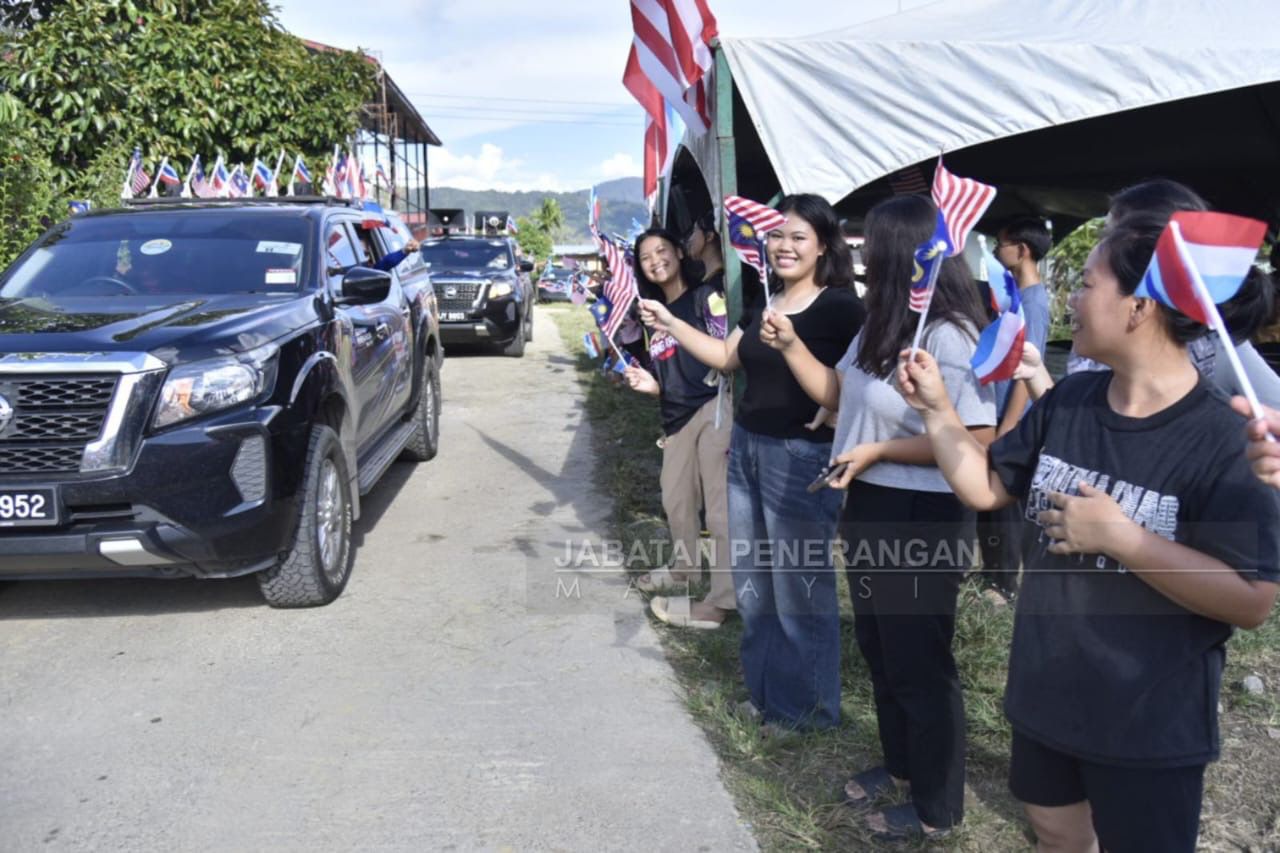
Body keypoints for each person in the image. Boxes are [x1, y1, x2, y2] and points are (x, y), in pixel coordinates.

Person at [897, 211, 1280, 853]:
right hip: (1046, 690)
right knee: (1053, 830)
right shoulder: (1069, 402)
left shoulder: (1231, 439)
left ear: (1139, 308)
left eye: (1090, 281)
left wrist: (1124, 539)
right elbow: (987, 488)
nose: (1071, 294)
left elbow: (1251, 600)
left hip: (1148, 716)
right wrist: (937, 411)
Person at [763, 194, 995, 839]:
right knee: (881, 647)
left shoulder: (949, 334)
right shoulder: (882, 323)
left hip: (924, 511)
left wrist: (882, 450)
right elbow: (840, 395)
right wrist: (789, 347)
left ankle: (937, 808)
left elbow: (978, 437)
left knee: (919, 659)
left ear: (907, 254)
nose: (862, 256)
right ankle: (900, 766)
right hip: (871, 502)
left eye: (874, 246)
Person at [638, 194, 865, 732]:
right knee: (754, 588)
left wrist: (794, 351)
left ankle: (810, 710)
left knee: (799, 590)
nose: (784, 246)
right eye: (777, 235)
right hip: (746, 450)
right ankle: (767, 697)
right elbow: (724, 357)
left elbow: (848, 391)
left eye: (798, 237)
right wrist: (669, 321)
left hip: (799, 460)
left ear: (824, 246)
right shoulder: (766, 302)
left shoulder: (840, 307)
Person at [1069, 179, 1280, 408]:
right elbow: (1068, 416)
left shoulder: (1212, 346)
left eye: (1112, 234)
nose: (1103, 247)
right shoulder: (1095, 334)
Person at [624, 228, 735, 629]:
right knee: (676, 502)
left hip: (713, 408)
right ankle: (684, 570)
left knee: (719, 512)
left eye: (661, 250)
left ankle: (721, 602)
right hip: (674, 418)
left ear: (677, 252)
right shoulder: (654, 315)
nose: (655, 260)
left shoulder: (706, 297)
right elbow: (671, 371)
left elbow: (724, 356)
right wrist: (652, 385)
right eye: (646, 257)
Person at [978, 217, 1053, 600]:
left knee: (1006, 499)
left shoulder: (1034, 303)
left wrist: (1009, 425)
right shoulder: (1014, 296)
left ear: (1022, 250)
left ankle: (1004, 582)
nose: (995, 249)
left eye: (1001, 242)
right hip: (998, 411)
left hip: (1014, 418)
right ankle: (991, 570)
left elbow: (1030, 366)